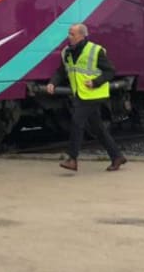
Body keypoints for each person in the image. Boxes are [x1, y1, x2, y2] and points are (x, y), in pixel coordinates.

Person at [45, 23, 126, 173]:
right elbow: (61, 71)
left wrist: (95, 82)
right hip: (81, 93)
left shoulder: (95, 50)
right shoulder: (67, 52)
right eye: (69, 33)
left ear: (82, 35)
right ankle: (117, 156)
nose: (69, 36)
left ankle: (72, 159)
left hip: (94, 94)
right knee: (98, 128)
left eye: (72, 34)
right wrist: (52, 83)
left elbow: (110, 71)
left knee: (77, 122)